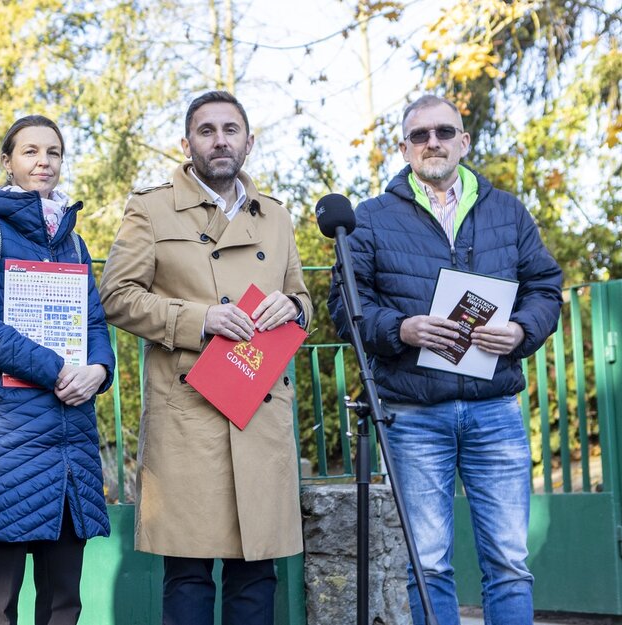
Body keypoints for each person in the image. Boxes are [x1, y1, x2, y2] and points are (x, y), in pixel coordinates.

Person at [328, 94, 562, 625]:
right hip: (413, 414)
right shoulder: (370, 218)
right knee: (427, 564)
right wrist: (401, 328)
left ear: (464, 140)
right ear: (405, 147)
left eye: (443, 132)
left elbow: (546, 286)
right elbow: (345, 302)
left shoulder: (507, 210)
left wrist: (523, 329)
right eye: (419, 135)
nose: (432, 142)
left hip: (494, 409)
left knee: (509, 561)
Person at [99, 90, 311, 625]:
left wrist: (294, 306)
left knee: (255, 575)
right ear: (187, 142)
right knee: (189, 576)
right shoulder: (149, 208)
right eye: (207, 130)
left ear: (249, 141)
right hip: (190, 410)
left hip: (258, 411)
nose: (220, 140)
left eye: (231, 130)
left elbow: (303, 299)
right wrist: (200, 320)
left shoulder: (278, 219)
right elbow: (117, 297)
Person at [0, 115, 115, 625]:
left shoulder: (74, 242)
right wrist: (59, 369)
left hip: (71, 445)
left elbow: (95, 324)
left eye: (54, 152)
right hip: (6, 444)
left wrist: (100, 370)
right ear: (8, 161)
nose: (43, 162)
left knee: (64, 601)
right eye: (30, 152)